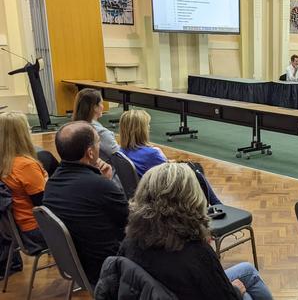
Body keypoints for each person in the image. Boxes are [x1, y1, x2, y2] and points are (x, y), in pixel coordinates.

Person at [118, 162, 273, 300]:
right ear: (192, 200)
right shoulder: (196, 254)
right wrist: (237, 291)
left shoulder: (129, 241)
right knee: (245, 289)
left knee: (247, 270)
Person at [43, 121, 128, 285]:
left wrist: (103, 181)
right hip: (106, 268)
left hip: (76, 266)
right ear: (90, 153)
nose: (99, 146)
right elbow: (130, 222)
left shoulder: (52, 184)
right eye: (98, 142)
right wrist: (108, 183)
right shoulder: (99, 186)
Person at [118, 109, 220, 205]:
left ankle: (210, 204)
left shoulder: (120, 151)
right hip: (163, 192)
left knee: (194, 168)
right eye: (147, 125)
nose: (149, 128)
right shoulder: (151, 153)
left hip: (142, 191)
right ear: (141, 130)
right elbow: (169, 174)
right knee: (195, 170)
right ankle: (215, 205)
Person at [0, 112, 47, 252]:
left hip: (17, 230)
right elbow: (44, 205)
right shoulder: (25, 165)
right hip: (36, 231)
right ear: (22, 134)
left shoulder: (5, 163)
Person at [72, 88, 119, 162]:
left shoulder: (71, 128)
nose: (102, 107)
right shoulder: (101, 132)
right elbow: (120, 158)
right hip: (104, 171)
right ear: (95, 107)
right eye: (101, 103)